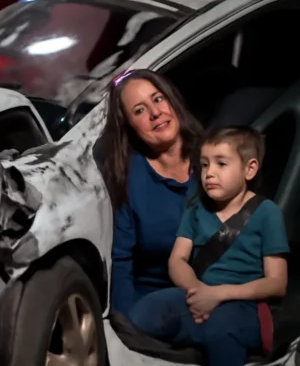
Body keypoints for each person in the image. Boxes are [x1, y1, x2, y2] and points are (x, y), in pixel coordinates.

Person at [128, 127, 289, 366]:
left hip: (245, 304)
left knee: (220, 329)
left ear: (249, 169)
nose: (209, 173)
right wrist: (198, 291)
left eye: (221, 164)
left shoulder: (267, 213)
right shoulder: (196, 210)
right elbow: (177, 260)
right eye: (204, 165)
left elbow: (277, 283)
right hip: (198, 294)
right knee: (144, 313)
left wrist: (218, 295)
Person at [100, 69, 203, 316]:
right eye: (140, 110)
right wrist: (126, 328)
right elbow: (122, 263)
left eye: (157, 99)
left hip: (223, 293)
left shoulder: (215, 157)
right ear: (130, 127)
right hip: (161, 306)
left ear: (171, 100)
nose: (155, 113)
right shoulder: (129, 179)